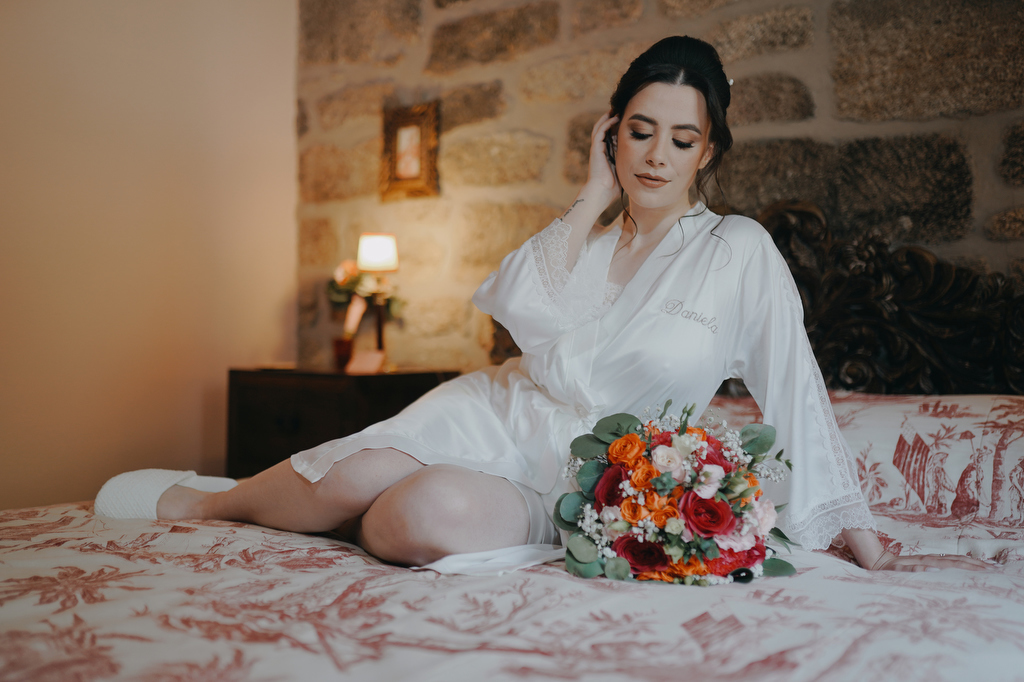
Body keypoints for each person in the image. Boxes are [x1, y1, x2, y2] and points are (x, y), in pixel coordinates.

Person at [96, 36, 990, 575]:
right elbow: (514, 304)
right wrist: (591, 194)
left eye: (681, 139)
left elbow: (793, 387)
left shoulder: (738, 251)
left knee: (410, 519)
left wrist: (848, 525)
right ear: (614, 133)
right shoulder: (588, 234)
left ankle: (323, 511)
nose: (656, 155)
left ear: (709, 152)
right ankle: (209, 504)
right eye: (639, 131)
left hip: (586, 475)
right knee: (354, 476)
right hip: (498, 409)